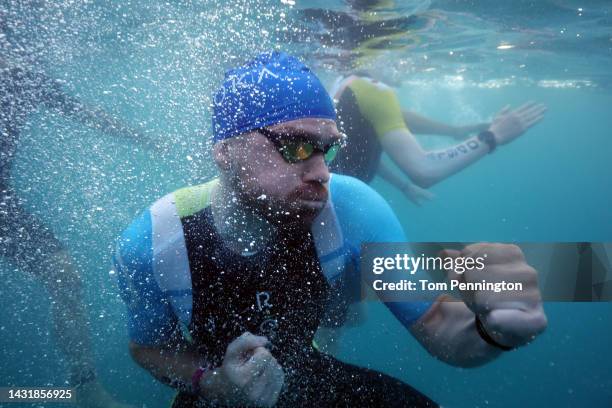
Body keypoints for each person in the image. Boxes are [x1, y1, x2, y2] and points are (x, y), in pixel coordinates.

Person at [113, 52, 547, 407]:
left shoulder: (352, 207)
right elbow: (149, 348)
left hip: (305, 372)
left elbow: (439, 330)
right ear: (225, 152)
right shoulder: (154, 242)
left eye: (328, 148)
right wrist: (212, 385)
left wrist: (493, 331)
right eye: (297, 147)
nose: (323, 171)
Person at [1, 48, 152, 408]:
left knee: (64, 274)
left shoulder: (22, 74)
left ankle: (85, 388)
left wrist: (142, 138)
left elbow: (86, 114)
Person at [328, 73, 547, 203]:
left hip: (321, 205)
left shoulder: (346, 86)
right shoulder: (374, 91)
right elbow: (424, 170)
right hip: (335, 210)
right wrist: (493, 136)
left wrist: (455, 130)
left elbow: (355, 151)